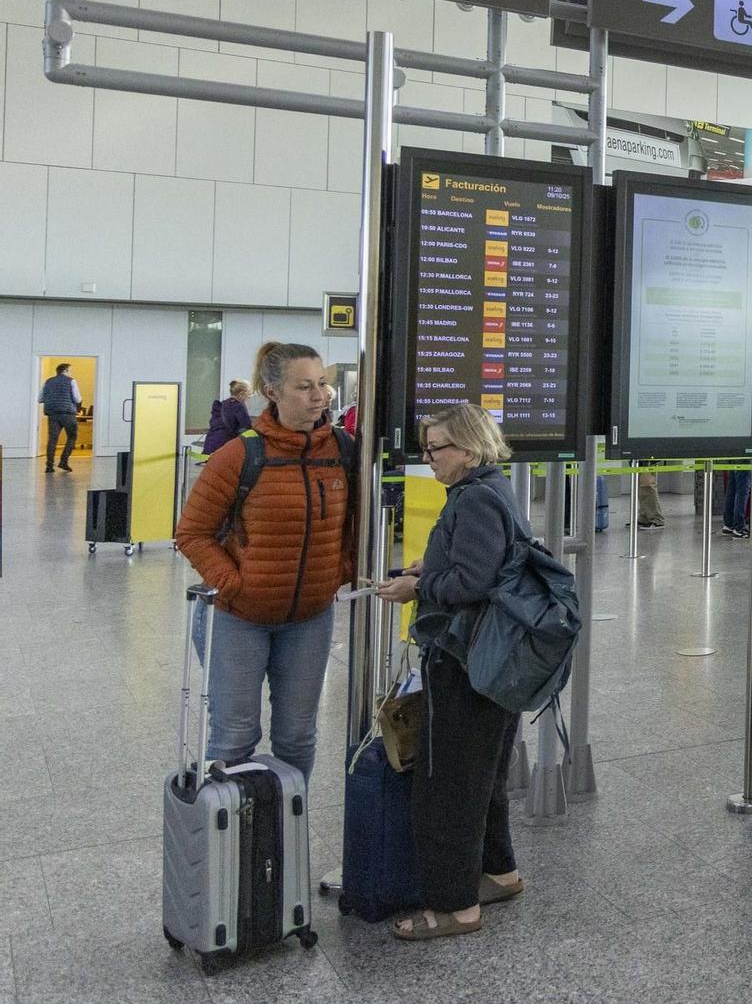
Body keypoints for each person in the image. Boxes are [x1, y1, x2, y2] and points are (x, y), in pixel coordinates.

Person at [373, 403, 526, 941]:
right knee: (483, 776)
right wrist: (431, 567)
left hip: (466, 660)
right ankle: (498, 872)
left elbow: (474, 583)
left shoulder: (476, 498)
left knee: (450, 784)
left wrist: (419, 586)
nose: (429, 457)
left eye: (436, 448)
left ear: (466, 448)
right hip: (492, 659)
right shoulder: (488, 489)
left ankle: (455, 907)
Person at [175, 342, 350, 779]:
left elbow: (355, 527)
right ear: (271, 391)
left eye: (323, 385)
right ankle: (235, 841)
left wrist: (335, 574)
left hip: (310, 618)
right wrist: (234, 584)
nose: (319, 396)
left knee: (297, 735)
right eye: (304, 386)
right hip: (239, 618)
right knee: (235, 736)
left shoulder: (343, 450)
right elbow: (191, 532)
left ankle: (287, 834)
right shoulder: (241, 454)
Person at [40, 361, 82, 473]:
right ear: (66, 371)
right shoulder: (71, 381)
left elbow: (40, 399)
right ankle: (63, 461)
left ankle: (49, 466)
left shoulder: (48, 382)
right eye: (70, 370)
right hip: (67, 413)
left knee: (52, 439)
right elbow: (78, 399)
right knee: (72, 436)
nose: (70, 373)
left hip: (52, 414)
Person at [202, 379, 254, 455]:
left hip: (210, 447)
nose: (248, 398)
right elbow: (247, 425)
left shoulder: (222, 404)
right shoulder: (238, 406)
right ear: (241, 394)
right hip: (224, 446)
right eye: (248, 396)